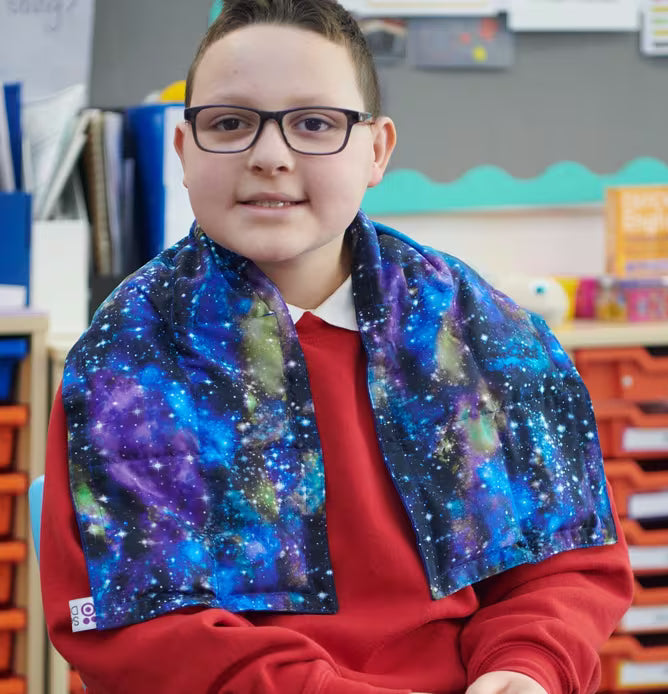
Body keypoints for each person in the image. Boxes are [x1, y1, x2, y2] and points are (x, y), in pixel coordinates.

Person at [40, 1, 633, 692]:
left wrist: (527, 666)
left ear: (376, 150)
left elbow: (565, 558)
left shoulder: (478, 333)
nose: (269, 156)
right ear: (183, 150)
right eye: (229, 123)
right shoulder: (132, 355)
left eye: (315, 124)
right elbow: (134, 626)